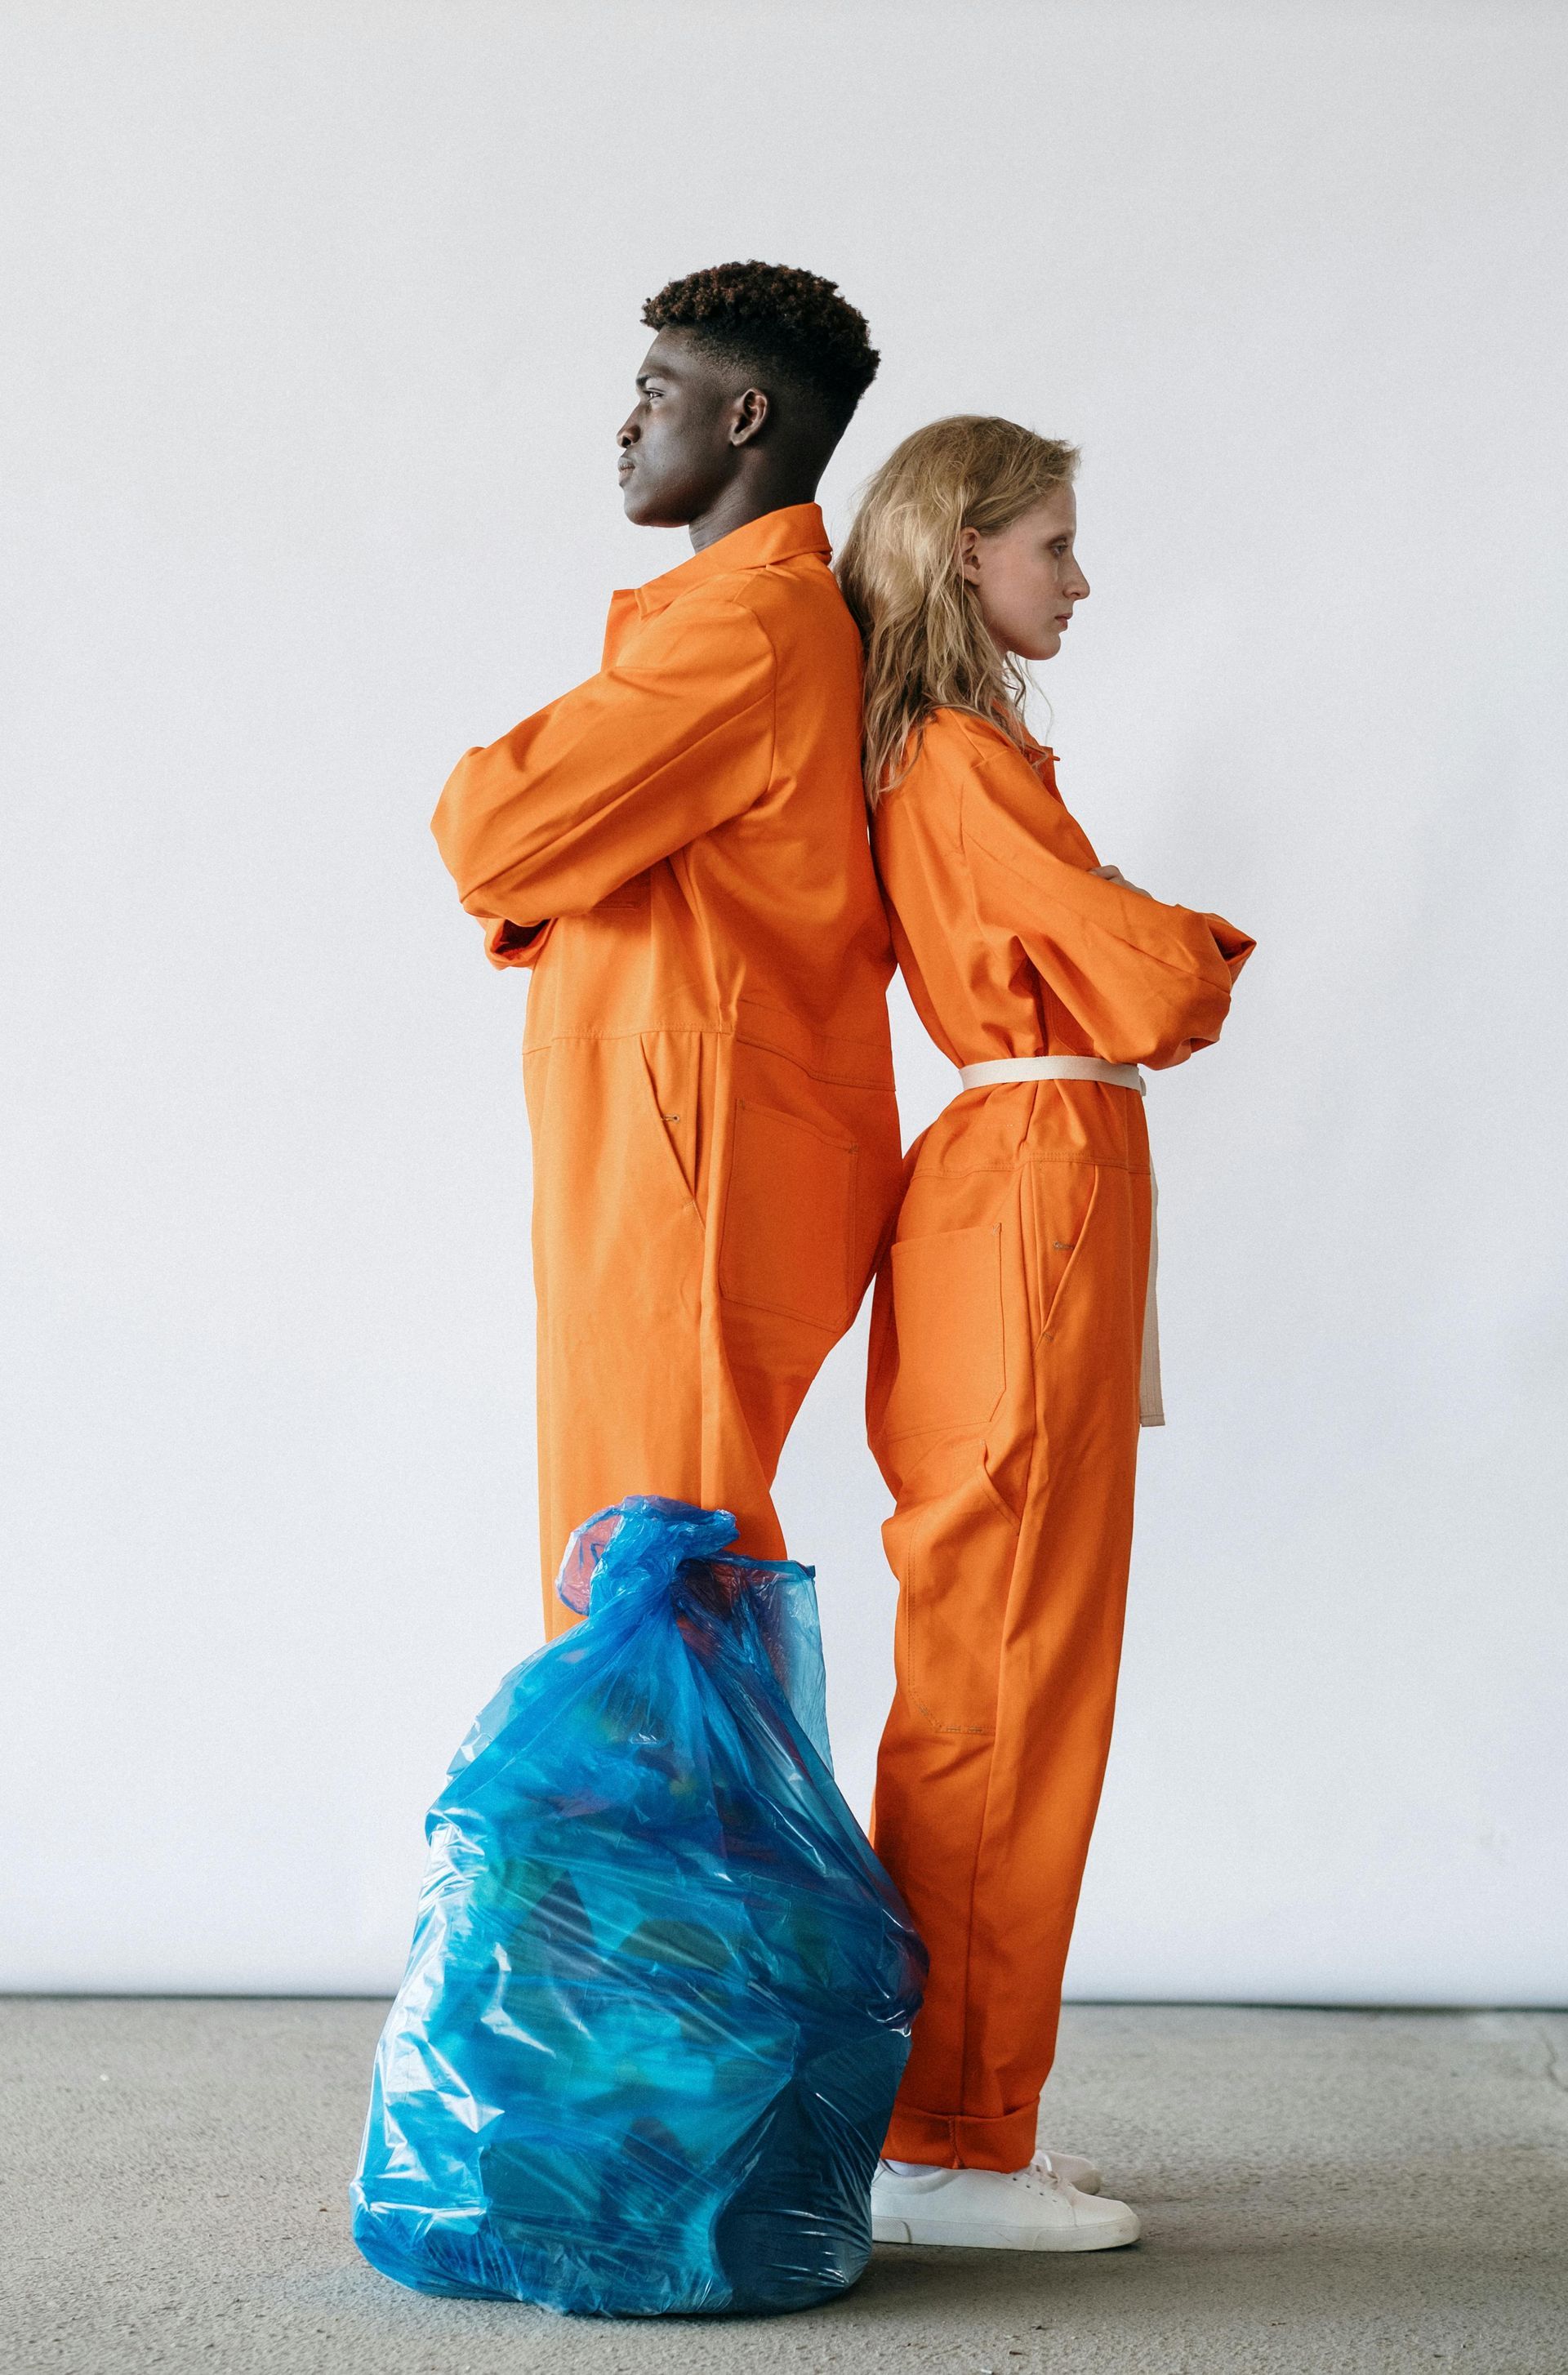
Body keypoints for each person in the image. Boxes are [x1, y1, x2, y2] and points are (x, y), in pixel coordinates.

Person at [836, 417, 1254, 2251]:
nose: (1079, 581)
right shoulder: (958, 756)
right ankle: (943, 2143)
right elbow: (1152, 982)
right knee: (1011, 1672)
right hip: (1033, 1188)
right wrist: (1194, 939)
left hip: (1030, 1181)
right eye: (1053, 546)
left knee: (1000, 1663)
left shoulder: (954, 751)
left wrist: (1147, 946)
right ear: (963, 548)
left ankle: (963, 2115)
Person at [432, 263, 900, 1638]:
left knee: (649, 1572)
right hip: (682, 1135)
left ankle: (687, 1799)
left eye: (655, 391)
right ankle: (660, 1795)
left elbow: (492, 827)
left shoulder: (746, 631)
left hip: (689, 1154)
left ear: (746, 415)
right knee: (640, 1567)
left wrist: (545, 873)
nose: (627, 425)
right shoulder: (742, 626)